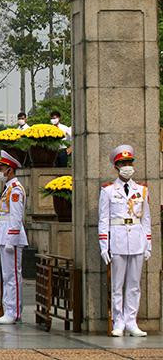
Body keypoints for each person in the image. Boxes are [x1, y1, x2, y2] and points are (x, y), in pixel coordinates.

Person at [99, 144, 151, 337]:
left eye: (129, 162)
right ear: (116, 166)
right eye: (123, 163)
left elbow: (146, 218)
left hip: (137, 240)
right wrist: (104, 245)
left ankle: (131, 321)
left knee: (134, 285)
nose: (127, 166)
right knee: (117, 284)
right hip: (118, 241)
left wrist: (148, 244)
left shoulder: (142, 190)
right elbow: (103, 220)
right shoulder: (108, 191)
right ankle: (118, 321)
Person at [0, 150, 28, 325]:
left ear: (10, 170)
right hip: (4, 235)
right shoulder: (8, 189)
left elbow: (16, 216)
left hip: (11, 238)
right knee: (8, 276)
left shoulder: (15, 190)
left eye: (2, 167)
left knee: (12, 276)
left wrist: (11, 240)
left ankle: (13, 312)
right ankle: (10, 309)